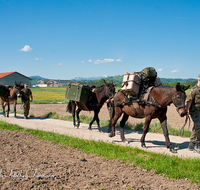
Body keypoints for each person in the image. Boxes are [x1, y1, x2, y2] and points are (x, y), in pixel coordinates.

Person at [186, 74, 200, 153]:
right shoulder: (193, 90)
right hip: (194, 112)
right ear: (199, 79)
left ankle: (191, 144)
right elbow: (189, 101)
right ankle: (198, 145)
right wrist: (187, 111)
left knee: (196, 126)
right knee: (199, 125)